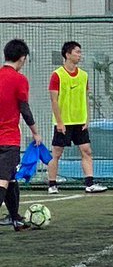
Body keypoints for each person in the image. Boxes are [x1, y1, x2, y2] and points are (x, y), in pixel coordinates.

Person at [46, 41, 106, 194]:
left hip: (80, 121)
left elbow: (86, 98)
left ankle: (89, 183)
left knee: (86, 150)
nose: (80, 55)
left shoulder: (84, 75)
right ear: (67, 54)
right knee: (57, 153)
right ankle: (52, 184)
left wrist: (87, 118)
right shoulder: (57, 75)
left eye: (80, 52)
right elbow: (54, 100)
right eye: (77, 52)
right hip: (64, 122)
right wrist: (59, 122)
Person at [0, 39, 43, 231]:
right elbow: (24, 109)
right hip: (8, 139)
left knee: (11, 177)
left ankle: (15, 218)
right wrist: (35, 132)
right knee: (2, 179)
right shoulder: (19, 79)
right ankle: (15, 217)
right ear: (23, 58)